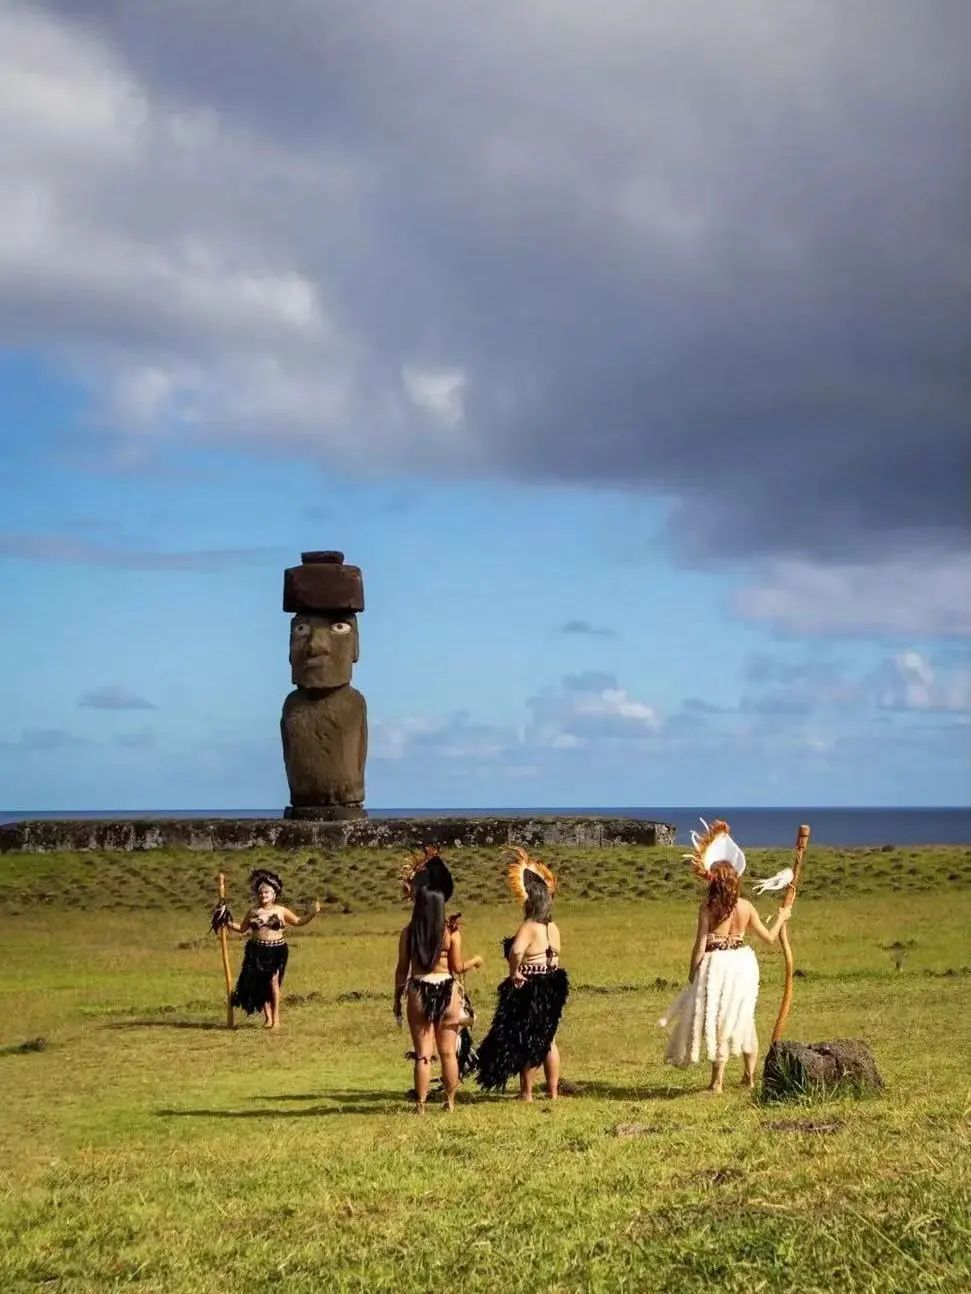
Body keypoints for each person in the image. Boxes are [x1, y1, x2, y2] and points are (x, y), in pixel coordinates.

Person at [660, 819, 792, 1093]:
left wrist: (693, 972)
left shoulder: (707, 908)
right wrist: (781, 918)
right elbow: (769, 938)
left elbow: (699, 945)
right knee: (744, 1017)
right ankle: (749, 1076)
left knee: (720, 1019)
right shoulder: (746, 907)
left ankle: (717, 1082)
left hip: (717, 965)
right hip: (743, 963)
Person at [393, 848, 484, 1113]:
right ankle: (450, 1102)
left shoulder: (408, 933)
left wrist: (397, 998)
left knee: (423, 1054)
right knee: (447, 1053)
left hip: (418, 989)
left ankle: (420, 1105)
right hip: (446, 990)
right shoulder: (451, 934)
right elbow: (456, 967)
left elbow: (402, 969)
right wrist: (475, 961)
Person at [476, 848, 569, 1101]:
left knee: (528, 1037)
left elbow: (516, 951)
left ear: (531, 901)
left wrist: (514, 972)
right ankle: (552, 1091)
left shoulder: (529, 926)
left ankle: (526, 1093)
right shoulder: (553, 927)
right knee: (549, 1038)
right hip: (554, 982)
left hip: (533, 985)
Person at [212, 868, 320, 1030]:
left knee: (273, 982)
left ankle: (276, 1019)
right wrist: (225, 921)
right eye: (261, 893)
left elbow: (298, 921)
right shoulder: (253, 911)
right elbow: (241, 928)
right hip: (256, 951)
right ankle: (268, 1018)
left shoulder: (281, 911)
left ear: (274, 894)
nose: (263, 895)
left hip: (276, 951)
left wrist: (312, 913)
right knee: (258, 985)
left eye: (267, 892)